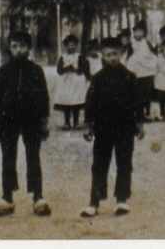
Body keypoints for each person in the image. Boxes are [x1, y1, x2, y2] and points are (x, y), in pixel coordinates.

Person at [80, 36, 145, 217]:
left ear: (121, 54)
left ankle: (121, 200)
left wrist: (140, 124)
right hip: (103, 129)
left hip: (125, 128)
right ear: (102, 55)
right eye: (108, 55)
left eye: (115, 54)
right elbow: (90, 104)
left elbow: (138, 103)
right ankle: (94, 201)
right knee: (99, 164)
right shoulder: (98, 79)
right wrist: (87, 126)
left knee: (124, 163)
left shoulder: (130, 77)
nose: (112, 58)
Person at [0, 30, 52, 217]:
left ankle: (38, 197)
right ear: (9, 48)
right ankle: (7, 197)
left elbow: (43, 97)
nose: (18, 50)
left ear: (29, 48)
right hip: (8, 119)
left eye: (22, 46)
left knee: (33, 156)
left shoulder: (36, 70)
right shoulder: (4, 71)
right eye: (15, 46)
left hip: (31, 119)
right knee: (8, 157)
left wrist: (44, 121)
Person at [53, 35, 90, 130]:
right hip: (66, 81)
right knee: (67, 101)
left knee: (76, 101)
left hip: (76, 81)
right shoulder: (63, 57)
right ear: (66, 46)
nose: (71, 47)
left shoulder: (79, 57)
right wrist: (65, 68)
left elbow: (82, 69)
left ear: (76, 46)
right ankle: (67, 122)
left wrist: (75, 69)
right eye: (69, 45)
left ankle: (76, 122)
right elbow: (59, 70)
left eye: (73, 45)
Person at [126, 21, 158, 120]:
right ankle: (138, 113)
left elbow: (153, 53)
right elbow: (128, 56)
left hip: (147, 69)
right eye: (137, 31)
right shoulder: (131, 43)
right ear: (134, 32)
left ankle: (147, 112)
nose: (139, 34)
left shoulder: (147, 42)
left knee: (146, 92)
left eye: (141, 31)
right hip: (136, 69)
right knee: (137, 92)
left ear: (144, 33)